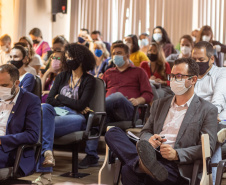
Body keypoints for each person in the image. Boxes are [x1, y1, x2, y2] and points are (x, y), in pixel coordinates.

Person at [105, 57, 218, 185]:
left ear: (193, 79)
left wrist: (176, 154)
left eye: (179, 76)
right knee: (112, 132)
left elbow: (208, 147)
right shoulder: (159, 104)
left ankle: (140, 164)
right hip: (152, 154)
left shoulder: (207, 109)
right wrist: (149, 139)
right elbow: (145, 131)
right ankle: (142, 164)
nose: (174, 80)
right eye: (172, 76)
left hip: (175, 165)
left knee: (128, 170)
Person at [78, 43, 153, 169]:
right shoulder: (108, 73)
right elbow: (100, 93)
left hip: (129, 110)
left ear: (127, 55)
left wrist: (138, 100)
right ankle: (91, 156)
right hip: (108, 111)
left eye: (119, 53)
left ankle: (92, 110)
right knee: (96, 118)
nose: (115, 56)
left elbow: (149, 94)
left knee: (116, 97)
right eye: (113, 53)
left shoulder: (139, 72)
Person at [34, 43, 96, 185]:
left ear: (80, 59)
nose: (67, 60)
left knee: (42, 126)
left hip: (75, 117)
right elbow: (50, 100)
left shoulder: (89, 80)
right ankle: (47, 157)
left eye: (70, 57)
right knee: (44, 107)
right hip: (55, 113)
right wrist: (67, 102)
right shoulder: (62, 76)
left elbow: (80, 105)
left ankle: (45, 170)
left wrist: (60, 98)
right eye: (66, 57)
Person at [192, 41, 226, 184]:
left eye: (201, 60)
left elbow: (217, 102)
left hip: (218, 118)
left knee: (210, 132)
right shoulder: (190, 75)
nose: (197, 63)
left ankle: (212, 180)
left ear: (212, 59)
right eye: (194, 60)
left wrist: (206, 116)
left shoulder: (222, 74)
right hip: (194, 118)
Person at [0, 64, 41, 177]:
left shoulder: (30, 100)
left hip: (10, 150)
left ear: (17, 83)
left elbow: (32, 135)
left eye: (4, 85)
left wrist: (2, 140)